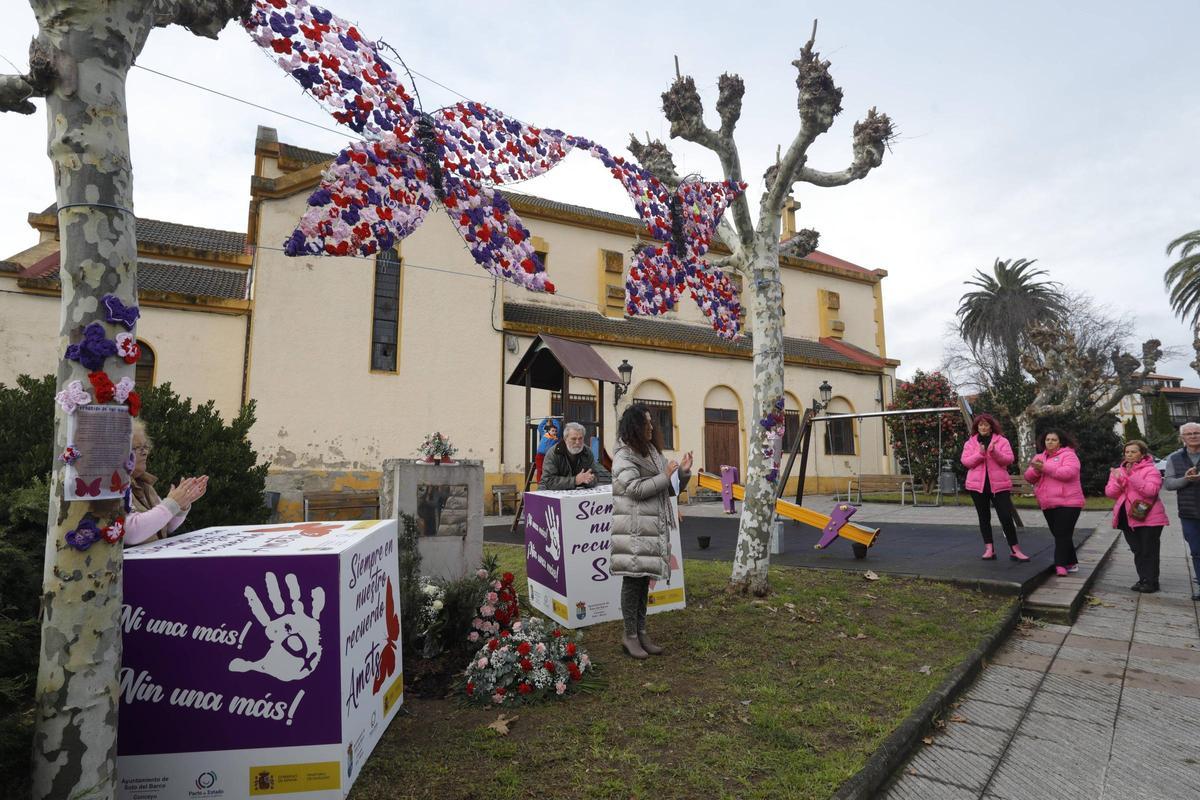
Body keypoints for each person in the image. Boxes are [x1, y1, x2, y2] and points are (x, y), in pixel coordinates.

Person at [610, 403, 691, 659]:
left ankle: (641, 632)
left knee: (644, 580)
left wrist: (683, 473)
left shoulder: (652, 452)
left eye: (651, 422)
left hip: (650, 527)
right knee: (632, 581)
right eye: (646, 423)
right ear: (635, 427)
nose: (651, 427)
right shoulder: (623, 456)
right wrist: (665, 475)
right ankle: (629, 636)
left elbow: (668, 488)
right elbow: (635, 489)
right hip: (634, 529)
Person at [124, 419, 209, 546]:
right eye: (137, 448)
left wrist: (182, 503)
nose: (145, 452)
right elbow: (131, 533)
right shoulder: (112, 487)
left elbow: (165, 526)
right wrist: (172, 503)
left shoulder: (143, 484)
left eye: (145, 447)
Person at [960, 413, 1028, 561]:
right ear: (977, 427)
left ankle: (1015, 550)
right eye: (980, 425)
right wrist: (980, 454)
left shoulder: (1002, 441)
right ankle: (989, 549)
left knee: (1006, 517)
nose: (983, 427)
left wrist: (994, 452)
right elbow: (966, 462)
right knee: (984, 517)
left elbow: (1008, 460)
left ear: (991, 427)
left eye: (986, 424)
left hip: (999, 486)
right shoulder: (970, 443)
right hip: (977, 486)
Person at [1105, 439, 1168, 593]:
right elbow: (1110, 493)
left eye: (1133, 452)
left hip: (1149, 517)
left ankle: (1151, 582)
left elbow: (1151, 491)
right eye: (1127, 452)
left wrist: (1131, 476)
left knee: (1149, 550)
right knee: (1137, 550)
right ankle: (1143, 579)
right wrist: (1119, 480)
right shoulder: (1118, 471)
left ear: (1142, 454)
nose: (1129, 455)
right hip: (1126, 516)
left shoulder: (1151, 470)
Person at [1023, 429, 1085, 576]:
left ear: (1060, 442)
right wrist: (1037, 470)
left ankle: (1060, 565)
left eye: (1053, 440)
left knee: (1062, 533)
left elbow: (1068, 473)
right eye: (1047, 440)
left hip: (1069, 502)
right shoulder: (1039, 457)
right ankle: (1071, 562)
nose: (1050, 442)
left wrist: (1044, 467)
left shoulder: (1069, 455)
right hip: (1048, 502)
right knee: (1060, 534)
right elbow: (1029, 477)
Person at [1162, 421, 1200, 601]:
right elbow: (1169, 484)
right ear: (1182, 437)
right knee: (1196, 550)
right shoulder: (1174, 458)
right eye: (1189, 434)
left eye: (1196, 433)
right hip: (1189, 512)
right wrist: (1186, 479)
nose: (1193, 436)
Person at [538, 421, 611, 490]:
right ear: (565, 439)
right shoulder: (554, 453)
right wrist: (575, 480)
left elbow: (594, 475)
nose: (577, 442)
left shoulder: (587, 452)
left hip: (576, 491)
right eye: (573, 439)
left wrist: (590, 480)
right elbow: (548, 481)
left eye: (580, 438)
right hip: (548, 492)